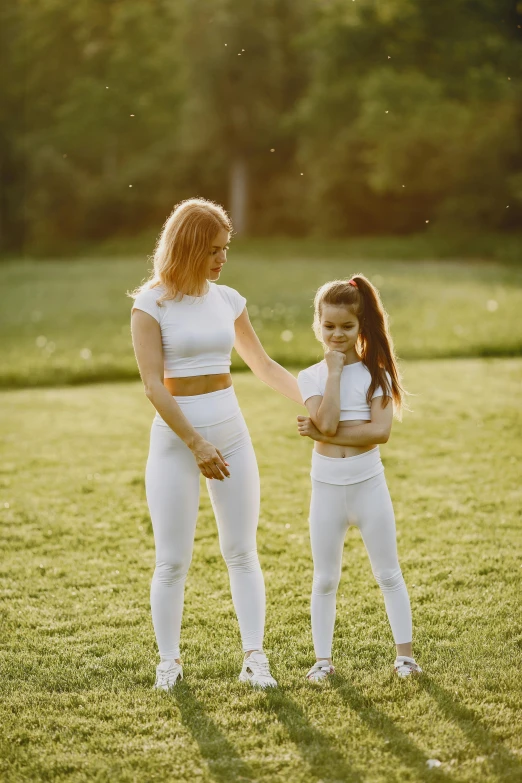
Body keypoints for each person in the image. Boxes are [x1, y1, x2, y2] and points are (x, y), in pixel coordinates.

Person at [130, 198, 301, 690]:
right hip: (176, 443)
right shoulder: (151, 303)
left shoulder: (228, 300)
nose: (222, 259)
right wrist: (195, 443)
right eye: (212, 250)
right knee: (172, 559)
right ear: (187, 246)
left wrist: (315, 400)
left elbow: (264, 367)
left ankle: (255, 659)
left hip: (231, 433)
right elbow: (152, 386)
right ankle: (169, 663)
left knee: (242, 551)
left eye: (225, 249)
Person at [296, 275, 422, 681]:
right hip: (328, 488)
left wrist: (322, 433)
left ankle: (405, 657)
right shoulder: (311, 377)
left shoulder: (377, 373)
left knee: (388, 572)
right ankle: (322, 661)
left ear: (360, 327)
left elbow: (378, 432)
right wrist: (333, 374)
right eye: (329, 326)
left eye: (347, 327)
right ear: (318, 324)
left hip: (368, 485)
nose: (337, 334)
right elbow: (328, 420)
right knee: (325, 577)